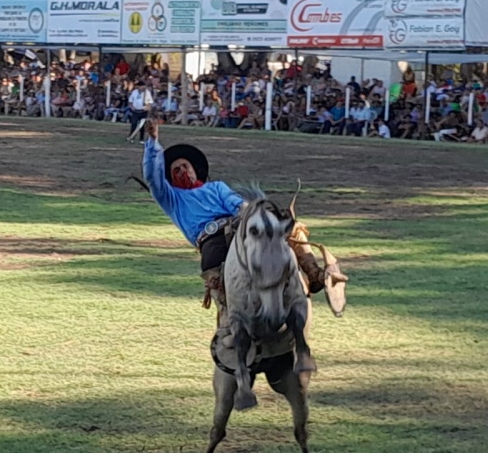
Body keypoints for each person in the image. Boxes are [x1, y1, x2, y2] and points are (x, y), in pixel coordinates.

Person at [139, 120, 340, 330]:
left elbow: (234, 203)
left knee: (291, 227)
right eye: (176, 169)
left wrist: (249, 210)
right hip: (211, 240)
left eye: (185, 166)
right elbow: (152, 176)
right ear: (170, 177)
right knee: (214, 271)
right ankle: (228, 318)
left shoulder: (216, 187)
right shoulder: (172, 198)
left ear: (194, 169)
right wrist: (152, 141)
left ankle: (314, 273)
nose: (182, 171)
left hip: (239, 225)